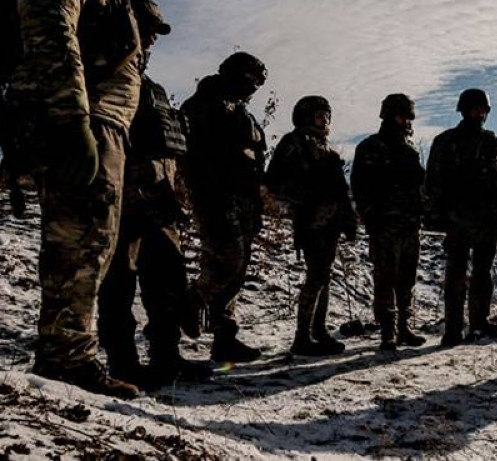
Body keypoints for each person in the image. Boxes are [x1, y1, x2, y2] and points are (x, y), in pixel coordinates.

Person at [0, 0, 140, 398]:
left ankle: (68, 351)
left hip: (94, 120)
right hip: (80, 120)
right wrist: (73, 123)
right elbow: (52, 35)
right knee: (81, 241)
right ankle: (66, 360)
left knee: (90, 242)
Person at [95, 0, 211, 389]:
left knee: (168, 282)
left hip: (160, 199)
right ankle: (123, 364)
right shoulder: (103, 78)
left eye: (154, 34)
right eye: (146, 31)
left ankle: (167, 357)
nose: (151, 41)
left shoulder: (152, 88)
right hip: (122, 199)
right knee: (118, 284)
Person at [181, 52, 268, 363]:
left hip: (244, 198)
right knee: (227, 260)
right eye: (252, 80)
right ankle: (191, 301)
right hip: (215, 194)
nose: (255, 87)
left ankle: (224, 338)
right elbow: (200, 155)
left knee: (237, 270)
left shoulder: (242, 112)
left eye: (259, 83)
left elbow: (255, 158)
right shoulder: (203, 104)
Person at [266, 95, 357, 356]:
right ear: (306, 117)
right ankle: (302, 337)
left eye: (326, 115)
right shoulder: (293, 142)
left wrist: (348, 219)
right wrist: (306, 194)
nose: (324, 120)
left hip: (332, 221)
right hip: (310, 220)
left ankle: (318, 331)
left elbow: (341, 190)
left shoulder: (326, 148)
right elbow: (274, 182)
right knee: (316, 276)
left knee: (324, 277)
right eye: (319, 115)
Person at [426, 89, 497, 347]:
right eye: (475, 109)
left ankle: (479, 322)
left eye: (483, 110)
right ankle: (453, 328)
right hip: (458, 219)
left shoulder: (492, 142)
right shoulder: (446, 141)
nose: (480, 114)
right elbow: (432, 182)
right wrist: (439, 213)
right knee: (455, 275)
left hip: (487, 218)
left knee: (483, 274)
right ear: (464, 110)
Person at [351, 94, 426, 351]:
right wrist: (372, 217)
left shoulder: (410, 148)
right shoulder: (371, 147)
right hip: (384, 225)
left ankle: (404, 328)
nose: (406, 121)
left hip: (410, 224)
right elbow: (360, 187)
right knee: (385, 279)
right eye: (401, 116)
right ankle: (387, 331)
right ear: (388, 115)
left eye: (408, 117)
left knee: (407, 279)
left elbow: (418, 186)